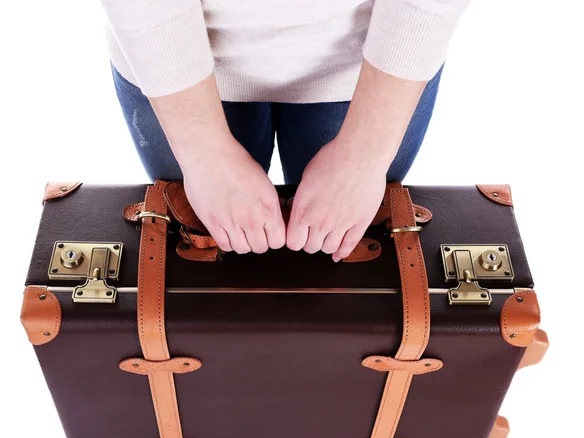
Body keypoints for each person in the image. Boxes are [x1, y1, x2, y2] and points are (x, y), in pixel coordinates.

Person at [102, 0, 470, 261]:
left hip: (373, 61)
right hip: (172, 55)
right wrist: (205, 157)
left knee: (345, 257)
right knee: (201, 249)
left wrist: (363, 157)